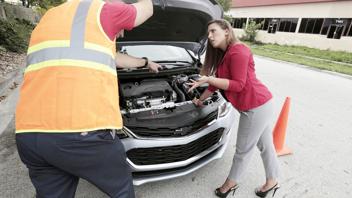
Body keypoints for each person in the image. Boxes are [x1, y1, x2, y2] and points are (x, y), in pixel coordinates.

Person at [15, 0, 161, 197]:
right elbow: (147, 9)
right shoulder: (104, 9)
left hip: (29, 134)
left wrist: (145, 62)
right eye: (121, 30)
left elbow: (114, 57)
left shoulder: (49, 17)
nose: (121, 32)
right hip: (79, 132)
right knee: (122, 191)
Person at [187, 19, 280, 198]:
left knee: (243, 150)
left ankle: (230, 185)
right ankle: (272, 181)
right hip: (260, 104)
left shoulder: (239, 51)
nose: (210, 36)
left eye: (213, 31)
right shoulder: (226, 53)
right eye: (208, 33)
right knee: (266, 146)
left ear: (227, 31)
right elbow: (216, 84)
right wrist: (200, 99)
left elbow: (237, 85)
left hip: (255, 106)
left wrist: (209, 79)